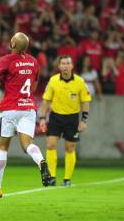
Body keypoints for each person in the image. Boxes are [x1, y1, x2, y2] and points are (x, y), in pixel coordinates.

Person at [0, 32, 51, 198]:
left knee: (2, 147)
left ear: (13, 45)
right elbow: (35, 85)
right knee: (27, 144)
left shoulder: (6, 60)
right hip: (28, 107)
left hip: (9, 107)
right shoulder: (34, 62)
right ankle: (41, 162)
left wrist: (3, 79)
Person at [39, 55, 92, 186]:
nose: (65, 66)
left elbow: (85, 102)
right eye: (63, 63)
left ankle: (67, 179)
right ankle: (51, 177)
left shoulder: (80, 82)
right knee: (50, 144)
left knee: (70, 148)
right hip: (56, 117)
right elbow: (46, 101)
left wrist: (84, 120)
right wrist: (42, 118)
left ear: (72, 66)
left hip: (72, 118)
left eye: (68, 63)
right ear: (59, 66)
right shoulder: (53, 81)